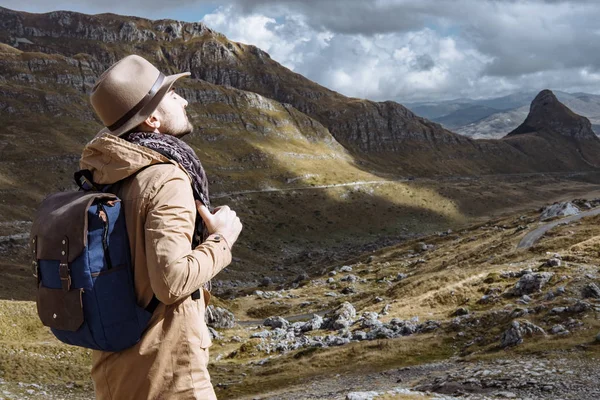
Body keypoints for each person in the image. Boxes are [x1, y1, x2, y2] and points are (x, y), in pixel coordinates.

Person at [79, 54, 242, 399]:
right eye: (171, 94)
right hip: (169, 375)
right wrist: (222, 240)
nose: (183, 100)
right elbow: (172, 282)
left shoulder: (107, 177)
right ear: (152, 118)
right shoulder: (166, 177)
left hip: (115, 369)